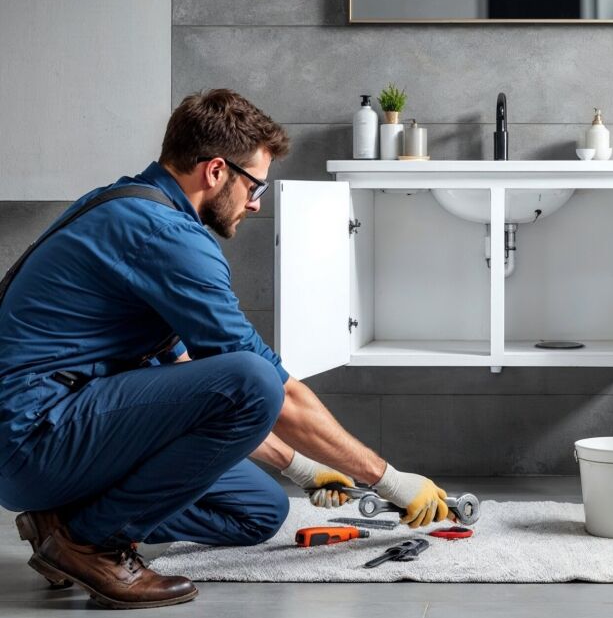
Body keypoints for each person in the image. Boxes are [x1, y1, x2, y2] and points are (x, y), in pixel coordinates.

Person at [0, 89, 451, 609]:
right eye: (255, 185)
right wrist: (389, 479)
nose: (256, 203)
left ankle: (59, 521)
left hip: (68, 425)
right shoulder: (165, 235)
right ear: (216, 171)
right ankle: (90, 543)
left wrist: (302, 468)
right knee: (252, 379)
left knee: (258, 511)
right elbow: (266, 389)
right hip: (35, 439)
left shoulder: (135, 206)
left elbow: (186, 377)